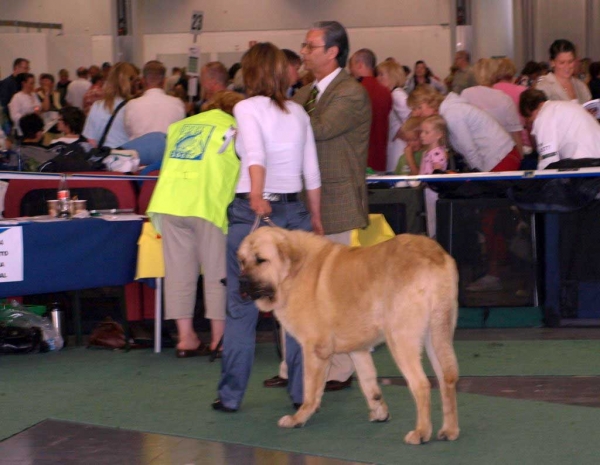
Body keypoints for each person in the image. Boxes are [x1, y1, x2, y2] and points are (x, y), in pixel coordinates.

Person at [213, 42, 323, 413]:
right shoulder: (298, 113)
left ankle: (230, 396)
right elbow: (312, 172)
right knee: (295, 311)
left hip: (252, 213)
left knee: (241, 308)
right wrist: (317, 221)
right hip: (295, 215)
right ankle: (300, 394)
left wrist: (258, 195)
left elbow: (255, 154)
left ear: (250, 72)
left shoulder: (244, 108)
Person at [293, 20, 371, 391]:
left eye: (310, 47)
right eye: (304, 46)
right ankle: (296, 367)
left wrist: (278, 116)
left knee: (335, 291)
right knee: (301, 292)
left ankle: (340, 368)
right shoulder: (305, 91)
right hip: (304, 196)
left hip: (336, 199)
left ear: (332, 52)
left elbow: (318, 128)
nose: (304, 53)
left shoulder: (350, 92)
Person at [146, 90, 244, 360]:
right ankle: (218, 339)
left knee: (179, 273)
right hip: (207, 204)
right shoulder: (234, 128)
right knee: (217, 273)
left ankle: (186, 338)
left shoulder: (180, 127)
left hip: (169, 203)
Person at [519, 88, 600, 169]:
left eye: (531, 122)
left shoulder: (543, 116)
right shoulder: (567, 105)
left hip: (584, 163)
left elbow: (548, 159)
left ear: (528, 111)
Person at [461, 58, 524, 157]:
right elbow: (516, 133)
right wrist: (521, 157)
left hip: (475, 152)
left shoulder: (466, 94)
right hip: (502, 153)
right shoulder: (504, 98)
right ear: (495, 73)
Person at [348, 48, 391, 172]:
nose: (350, 70)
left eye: (352, 66)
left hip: (360, 158)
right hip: (380, 156)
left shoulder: (354, 91)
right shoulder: (385, 91)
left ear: (360, 65)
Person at [124, 60, 186, 140]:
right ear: (164, 81)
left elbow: (128, 131)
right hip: (167, 150)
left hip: (140, 151)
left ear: (143, 80)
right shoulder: (177, 104)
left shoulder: (132, 105)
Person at [375, 60, 411, 172]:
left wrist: (400, 131)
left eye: (382, 74)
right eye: (378, 74)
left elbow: (410, 119)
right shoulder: (392, 94)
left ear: (392, 76)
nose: (378, 78)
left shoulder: (397, 95)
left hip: (399, 146)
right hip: (395, 145)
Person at [419, 115, 448, 237]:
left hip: (433, 191)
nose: (421, 135)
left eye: (426, 132)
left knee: (432, 219)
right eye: (421, 131)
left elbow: (437, 172)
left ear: (438, 134)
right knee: (429, 218)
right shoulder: (427, 153)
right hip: (426, 190)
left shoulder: (437, 153)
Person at [535, 39, 591, 104]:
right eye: (562, 62)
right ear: (552, 63)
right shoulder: (543, 86)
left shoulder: (581, 86)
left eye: (570, 62)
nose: (567, 66)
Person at [0, 58, 30, 131]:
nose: (27, 71)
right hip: (11, 123)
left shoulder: (22, 83)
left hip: (22, 122)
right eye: (25, 68)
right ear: (16, 68)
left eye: (27, 68)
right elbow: (4, 104)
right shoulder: (6, 83)